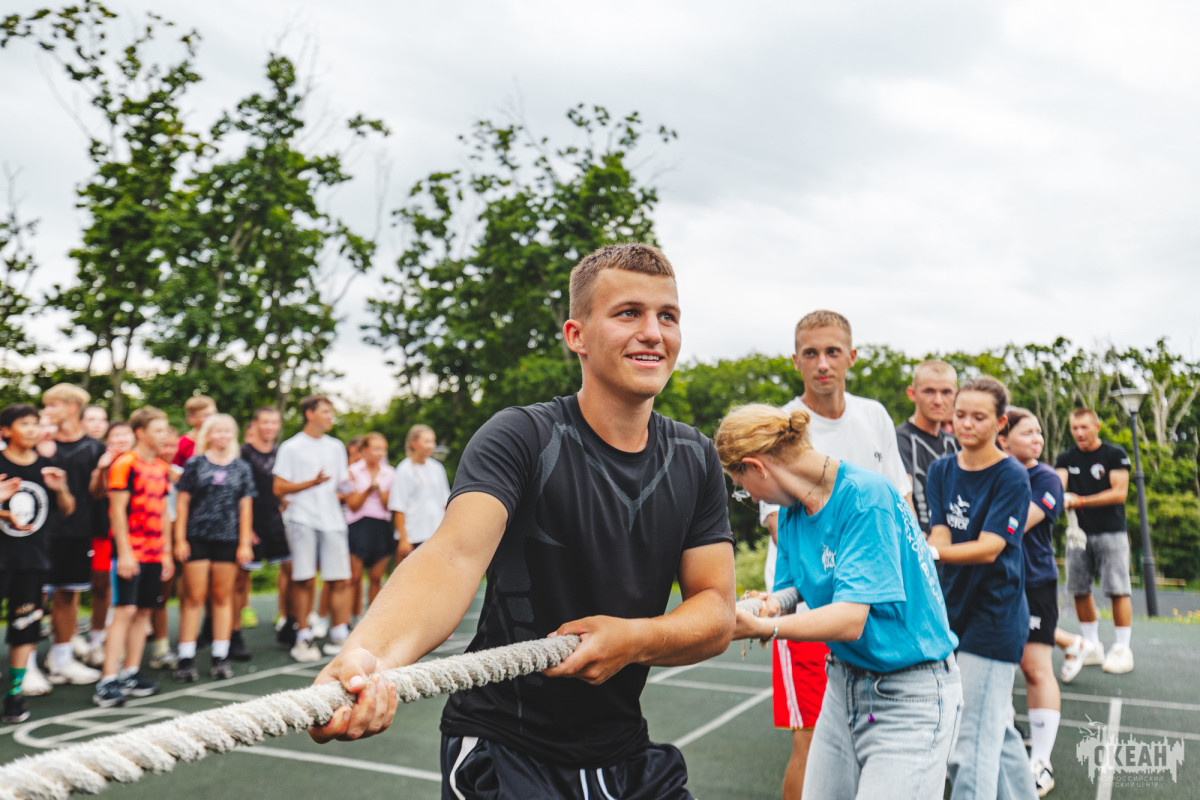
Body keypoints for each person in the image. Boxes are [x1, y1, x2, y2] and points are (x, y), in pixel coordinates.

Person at [309, 243, 735, 799]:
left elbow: (716, 610)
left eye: (668, 316)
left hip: (624, 752)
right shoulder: (521, 437)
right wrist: (370, 655)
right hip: (505, 753)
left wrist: (634, 638)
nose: (654, 332)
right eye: (628, 312)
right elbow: (451, 556)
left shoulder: (694, 456)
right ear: (576, 335)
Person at [720, 404, 961, 800]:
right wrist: (771, 604)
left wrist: (766, 627)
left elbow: (851, 619)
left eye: (742, 487)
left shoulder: (866, 496)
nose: (748, 497)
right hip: (844, 685)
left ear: (756, 466)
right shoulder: (793, 511)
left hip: (910, 695)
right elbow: (796, 586)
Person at [758, 309, 912, 800]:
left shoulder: (874, 416)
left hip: (875, 610)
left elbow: (900, 503)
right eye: (811, 353)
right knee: (812, 746)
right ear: (797, 360)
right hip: (807, 609)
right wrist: (851, 577)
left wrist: (912, 575)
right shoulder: (781, 425)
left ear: (852, 356)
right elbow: (776, 523)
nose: (822, 363)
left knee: (868, 739)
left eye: (832, 352)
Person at [927, 377, 1037, 799]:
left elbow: (990, 548)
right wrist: (929, 550)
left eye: (979, 417)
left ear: (1000, 423)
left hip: (995, 618)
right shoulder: (941, 469)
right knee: (999, 732)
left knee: (969, 745)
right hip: (953, 611)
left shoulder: (1011, 475)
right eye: (960, 415)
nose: (966, 424)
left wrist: (930, 555)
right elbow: (940, 534)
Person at [999, 408, 1064, 797]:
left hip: (1034, 583)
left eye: (1040, 432)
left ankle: (1041, 760)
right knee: (997, 668)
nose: (1037, 438)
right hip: (991, 585)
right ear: (1003, 438)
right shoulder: (988, 472)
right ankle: (1002, 750)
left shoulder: (1046, 478)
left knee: (1035, 669)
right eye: (1028, 432)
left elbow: (1012, 524)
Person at [0, 404, 75, 724]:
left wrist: (61, 490)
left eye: (35, 424)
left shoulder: (48, 467)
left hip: (33, 561)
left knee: (25, 628)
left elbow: (68, 509)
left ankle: (15, 692)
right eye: (23, 424)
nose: (31, 429)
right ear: (5, 431)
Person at [93, 407, 173, 707]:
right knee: (124, 611)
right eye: (158, 430)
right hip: (130, 551)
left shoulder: (162, 468)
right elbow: (116, 511)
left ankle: (130, 671)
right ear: (141, 433)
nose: (163, 436)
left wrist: (165, 551)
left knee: (143, 612)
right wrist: (124, 554)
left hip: (154, 552)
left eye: (165, 430)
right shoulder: (125, 464)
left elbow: (164, 513)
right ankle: (107, 679)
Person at [172, 414, 255, 681]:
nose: (222, 435)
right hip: (197, 536)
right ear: (208, 433)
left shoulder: (241, 467)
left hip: (228, 538)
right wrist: (180, 538)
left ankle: (221, 655)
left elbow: (245, 506)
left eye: (227, 431)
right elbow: (182, 503)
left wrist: (244, 542)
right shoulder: (195, 463)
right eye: (217, 430)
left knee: (223, 597)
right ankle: (185, 657)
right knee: (194, 597)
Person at [1054, 408, 1134, 676]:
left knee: (1118, 589)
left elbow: (1119, 493)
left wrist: (1080, 500)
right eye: (1074, 428)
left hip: (1111, 532)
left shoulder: (1114, 454)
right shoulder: (1066, 457)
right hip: (1078, 534)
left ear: (1097, 426)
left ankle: (1122, 649)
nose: (1079, 433)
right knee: (1079, 588)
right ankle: (1092, 646)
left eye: (1084, 427)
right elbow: (1058, 486)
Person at [273, 396, 351, 662]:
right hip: (302, 519)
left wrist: (353, 489)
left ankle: (340, 635)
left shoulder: (337, 446)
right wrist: (311, 483)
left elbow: (341, 485)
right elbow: (279, 488)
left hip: (333, 521)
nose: (331, 416)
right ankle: (302, 636)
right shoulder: (291, 447)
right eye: (326, 411)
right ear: (310, 414)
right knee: (304, 579)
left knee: (340, 579)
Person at [40, 384, 106, 690]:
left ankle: (61, 658)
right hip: (37, 533)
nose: (47, 411)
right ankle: (24, 665)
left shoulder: (94, 447)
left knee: (67, 595)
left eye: (52, 405)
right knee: (34, 597)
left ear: (70, 407)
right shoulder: (38, 442)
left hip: (77, 531)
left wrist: (101, 474)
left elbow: (97, 494)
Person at [82, 421, 135, 668]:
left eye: (126, 433)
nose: (122, 438)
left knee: (129, 594)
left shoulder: (141, 463)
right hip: (104, 533)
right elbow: (95, 493)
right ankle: (97, 641)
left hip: (137, 536)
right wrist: (101, 469)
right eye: (116, 435)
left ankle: (125, 646)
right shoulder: (103, 462)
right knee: (103, 588)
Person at [238, 406, 291, 654]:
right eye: (265, 422)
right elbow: (237, 493)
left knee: (292, 570)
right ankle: (233, 633)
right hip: (250, 523)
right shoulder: (242, 453)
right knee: (240, 579)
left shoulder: (282, 454)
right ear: (255, 425)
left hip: (276, 521)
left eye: (274, 422)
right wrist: (244, 528)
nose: (269, 427)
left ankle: (288, 621)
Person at [896, 360, 960, 535]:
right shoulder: (899, 440)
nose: (938, 401)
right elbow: (902, 498)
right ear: (912, 393)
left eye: (946, 392)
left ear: (956, 395)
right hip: (919, 544)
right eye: (929, 391)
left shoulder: (955, 442)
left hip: (955, 547)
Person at [341, 433, 394, 614]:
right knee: (354, 578)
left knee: (376, 577)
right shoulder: (352, 472)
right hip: (358, 526)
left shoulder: (390, 473)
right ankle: (348, 619)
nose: (380, 453)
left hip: (381, 526)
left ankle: (372, 619)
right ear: (364, 450)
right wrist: (367, 490)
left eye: (383, 449)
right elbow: (353, 504)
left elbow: (391, 504)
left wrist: (379, 491)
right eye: (376, 449)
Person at [388, 424, 450, 563]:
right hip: (413, 536)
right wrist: (404, 539)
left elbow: (445, 503)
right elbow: (398, 507)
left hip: (435, 534)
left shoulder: (437, 468)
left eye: (433, 441)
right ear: (413, 443)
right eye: (426, 441)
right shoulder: (404, 469)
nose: (431, 446)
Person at [174, 396, 217, 468]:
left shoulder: (222, 440)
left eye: (214, 414)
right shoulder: (182, 444)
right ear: (191, 419)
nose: (212, 419)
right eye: (206, 415)